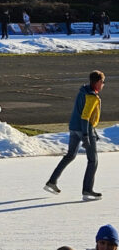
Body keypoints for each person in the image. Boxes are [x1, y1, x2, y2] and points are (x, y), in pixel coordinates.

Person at [45, 70, 105, 199]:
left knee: (70, 155)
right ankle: (87, 190)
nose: (103, 85)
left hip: (74, 128)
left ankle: (52, 182)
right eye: (102, 82)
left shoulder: (82, 92)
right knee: (93, 160)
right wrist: (86, 135)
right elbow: (85, 117)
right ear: (98, 82)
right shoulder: (92, 97)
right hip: (84, 129)